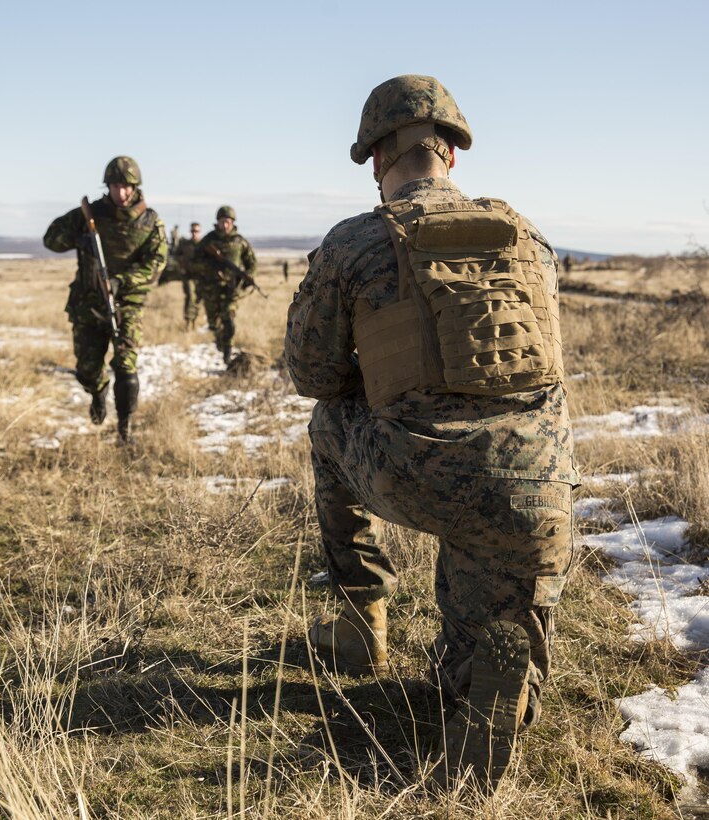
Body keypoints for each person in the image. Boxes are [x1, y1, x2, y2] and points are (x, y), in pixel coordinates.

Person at [284, 75, 577, 793]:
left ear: (377, 154)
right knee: (485, 627)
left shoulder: (354, 241)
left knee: (328, 426)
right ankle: (481, 688)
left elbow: (313, 374)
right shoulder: (527, 236)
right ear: (450, 152)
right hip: (537, 492)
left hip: (414, 471)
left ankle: (360, 620)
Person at [42, 156, 168, 442]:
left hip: (127, 305)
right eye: (115, 186)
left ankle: (125, 429)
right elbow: (51, 240)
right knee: (87, 369)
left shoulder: (150, 221)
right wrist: (81, 234)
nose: (121, 193)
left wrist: (121, 281)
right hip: (88, 303)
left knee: (126, 365)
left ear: (135, 187)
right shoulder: (91, 214)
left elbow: (157, 264)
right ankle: (98, 391)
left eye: (126, 186)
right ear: (107, 186)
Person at [193, 206, 257, 364]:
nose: (225, 225)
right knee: (214, 323)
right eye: (222, 222)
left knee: (229, 320)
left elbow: (252, 263)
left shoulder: (239, 241)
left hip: (231, 289)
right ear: (218, 222)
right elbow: (194, 261)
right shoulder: (208, 240)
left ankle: (227, 351)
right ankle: (220, 341)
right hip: (211, 288)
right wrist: (212, 268)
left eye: (228, 222)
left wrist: (246, 278)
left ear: (232, 222)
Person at [174, 222, 203, 329]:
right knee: (190, 296)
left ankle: (194, 321)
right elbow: (176, 255)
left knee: (198, 299)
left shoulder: (203, 244)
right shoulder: (185, 245)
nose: (194, 233)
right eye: (193, 231)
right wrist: (181, 265)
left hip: (200, 277)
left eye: (197, 231)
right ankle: (188, 322)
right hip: (188, 276)